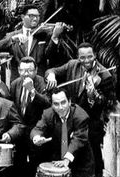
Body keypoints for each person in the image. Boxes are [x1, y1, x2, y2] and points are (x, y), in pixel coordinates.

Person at [45, 42, 116, 177]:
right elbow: (52, 70)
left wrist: (93, 95)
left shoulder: (105, 76)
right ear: (78, 57)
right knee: (71, 157)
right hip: (70, 119)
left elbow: (106, 104)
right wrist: (51, 76)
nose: (86, 61)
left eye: (89, 56)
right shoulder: (72, 65)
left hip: (91, 125)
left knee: (92, 161)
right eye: (82, 57)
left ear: (94, 55)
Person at [30, 88, 95, 177]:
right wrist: (36, 138)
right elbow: (37, 129)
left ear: (69, 101)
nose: (60, 107)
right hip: (58, 162)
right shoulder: (48, 114)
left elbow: (78, 140)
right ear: (52, 104)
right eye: (56, 104)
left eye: (63, 102)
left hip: (81, 164)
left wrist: (67, 160)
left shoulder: (81, 116)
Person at [0, 5, 65, 81]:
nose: (35, 19)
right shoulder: (12, 35)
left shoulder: (44, 35)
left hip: (39, 81)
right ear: (22, 17)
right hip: (18, 81)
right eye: (31, 16)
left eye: (37, 16)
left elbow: (50, 56)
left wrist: (54, 37)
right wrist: (13, 39)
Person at [10, 56, 50, 176]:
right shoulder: (15, 84)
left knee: (35, 165)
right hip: (20, 131)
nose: (25, 74)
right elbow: (10, 105)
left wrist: (32, 91)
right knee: (19, 166)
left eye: (29, 70)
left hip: (36, 130)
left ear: (36, 70)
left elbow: (47, 104)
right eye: (22, 70)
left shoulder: (42, 82)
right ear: (18, 70)